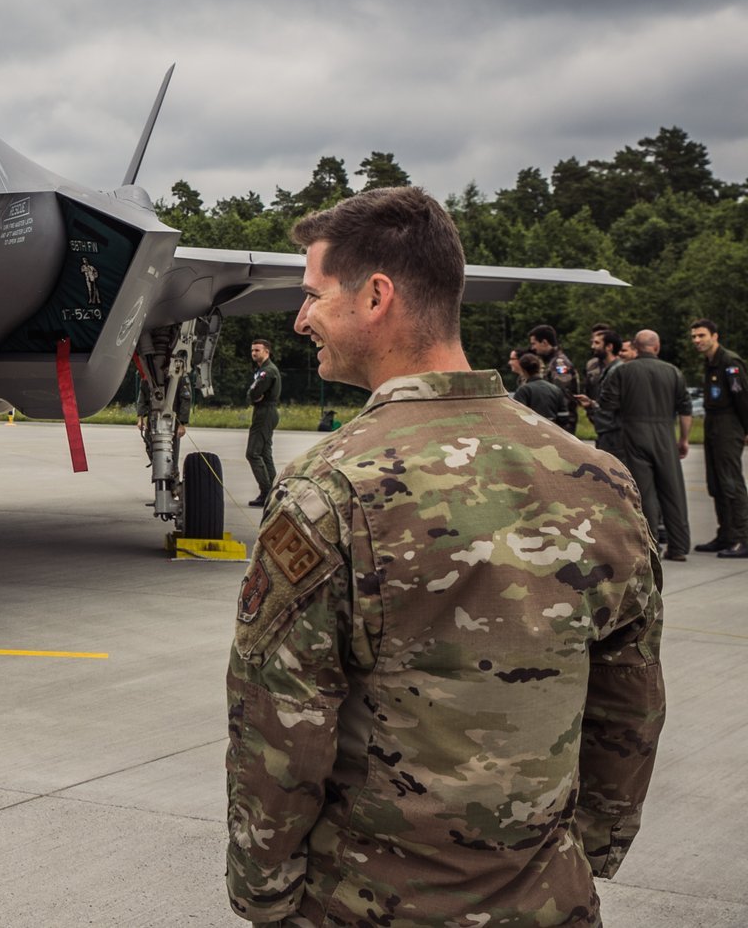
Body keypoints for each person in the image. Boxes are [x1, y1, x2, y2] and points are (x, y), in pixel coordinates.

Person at [225, 187, 663, 927]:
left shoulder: (330, 487)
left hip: (371, 905)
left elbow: (281, 724)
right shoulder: (599, 478)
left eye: (312, 295)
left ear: (375, 296)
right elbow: (631, 707)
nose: (302, 319)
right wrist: (585, 851)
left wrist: (263, 892)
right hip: (549, 899)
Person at [598, 329, 693, 561]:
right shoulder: (673, 372)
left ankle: (652, 548)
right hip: (665, 434)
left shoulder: (624, 371)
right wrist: (684, 439)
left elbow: (607, 404)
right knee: (673, 490)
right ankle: (679, 546)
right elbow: (685, 408)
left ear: (636, 348)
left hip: (633, 433)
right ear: (657, 347)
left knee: (645, 492)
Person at [689, 319, 748, 557]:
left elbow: (743, 398)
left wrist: (746, 429)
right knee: (716, 484)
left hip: (728, 423)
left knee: (731, 483)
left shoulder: (729, 363)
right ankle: (726, 535)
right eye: (694, 337)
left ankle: (743, 538)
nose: (697, 341)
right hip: (713, 422)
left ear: (715, 336)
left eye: (701, 335)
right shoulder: (710, 362)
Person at [578, 324, 625, 458]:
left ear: (609, 347)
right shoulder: (609, 369)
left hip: (615, 435)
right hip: (608, 432)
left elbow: (614, 407)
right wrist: (591, 404)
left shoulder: (617, 371)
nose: (593, 346)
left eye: (597, 343)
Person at [244, 339, 281, 507]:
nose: (254, 353)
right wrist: (252, 395)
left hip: (265, 412)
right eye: (252, 350)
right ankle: (274, 493)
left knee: (252, 453)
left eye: (257, 350)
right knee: (265, 453)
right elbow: (253, 393)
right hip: (264, 411)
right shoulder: (263, 371)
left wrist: (252, 395)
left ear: (267, 351)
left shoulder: (268, 371)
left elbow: (254, 392)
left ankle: (266, 492)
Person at [528, 324, 581, 433]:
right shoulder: (550, 363)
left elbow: (561, 393)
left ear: (544, 342)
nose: (533, 348)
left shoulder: (559, 364)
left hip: (561, 422)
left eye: (534, 343)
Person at [511, 351, 572, 424]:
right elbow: (563, 417)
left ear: (523, 370)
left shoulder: (523, 390)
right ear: (539, 367)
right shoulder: (556, 389)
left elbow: (517, 417)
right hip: (553, 431)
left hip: (531, 432)